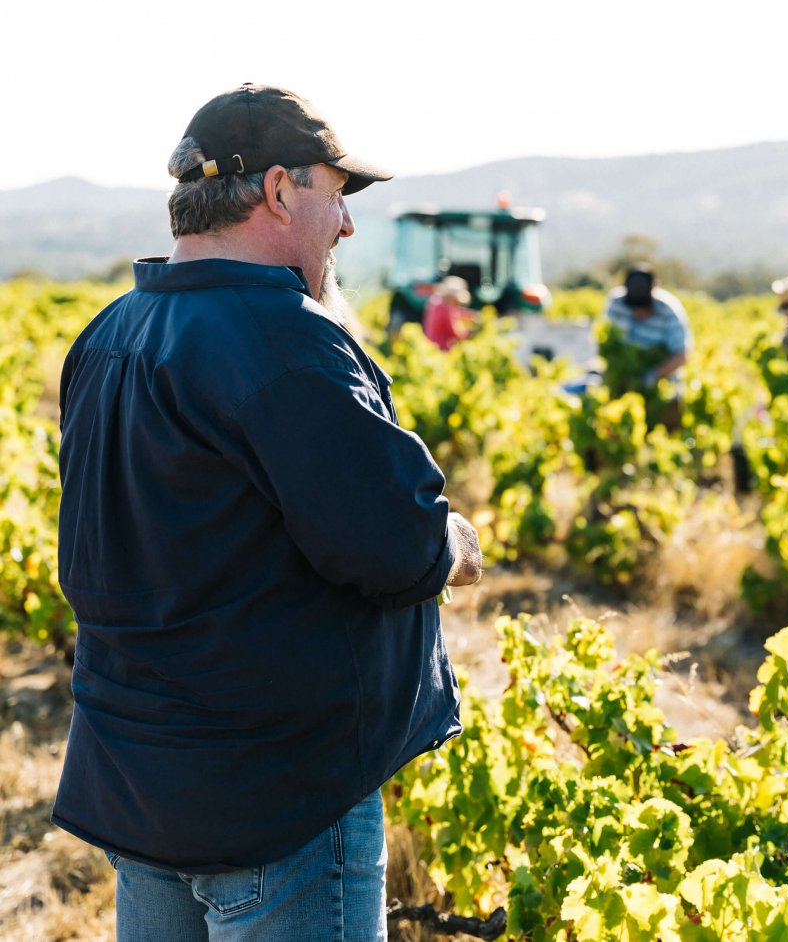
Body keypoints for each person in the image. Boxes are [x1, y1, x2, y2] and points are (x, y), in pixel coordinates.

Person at [53, 83, 483, 942]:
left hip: (142, 784)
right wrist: (453, 541)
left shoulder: (109, 334)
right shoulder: (283, 337)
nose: (348, 226)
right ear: (281, 191)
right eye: (336, 194)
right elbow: (391, 544)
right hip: (274, 794)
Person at [602, 265, 692, 389]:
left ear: (654, 291)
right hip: (623, 376)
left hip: (663, 379)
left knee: (672, 400)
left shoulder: (669, 311)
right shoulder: (616, 302)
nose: (638, 314)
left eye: (643, 308)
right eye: (633, 307)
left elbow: (681, 355)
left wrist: (652, 376)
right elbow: (606, 340)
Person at [422, 275, 478, 351]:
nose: (457, 304)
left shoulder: (437, 302)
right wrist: (471, 333)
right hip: (440, 350)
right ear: (452, 297)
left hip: (431, 347)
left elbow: (457, 312)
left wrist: (469, 315)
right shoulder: (444, 308)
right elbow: (456, 334)